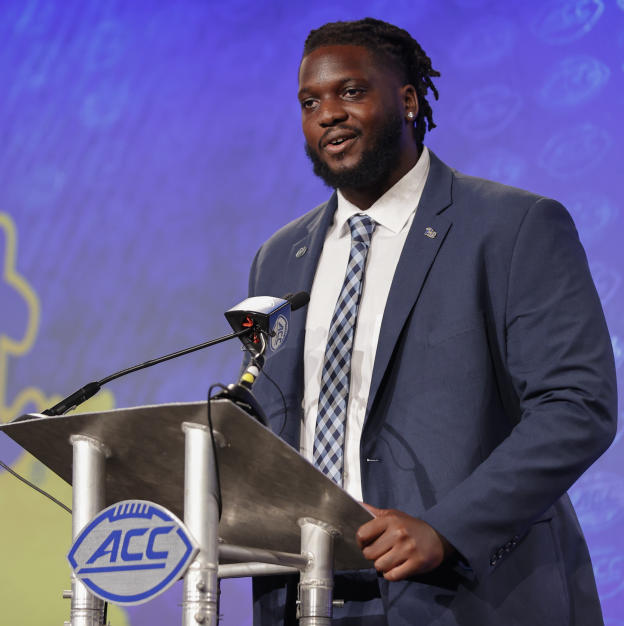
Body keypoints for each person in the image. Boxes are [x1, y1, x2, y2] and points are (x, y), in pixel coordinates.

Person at [247, 17, 617, 625]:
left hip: (462, 593)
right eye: (310, 102)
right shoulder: (277, 257)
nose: (328, 114)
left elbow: (578, 404)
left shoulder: (512, 227)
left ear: (410, 100)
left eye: (351, 92)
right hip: (308, 596)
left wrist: (447, 529)